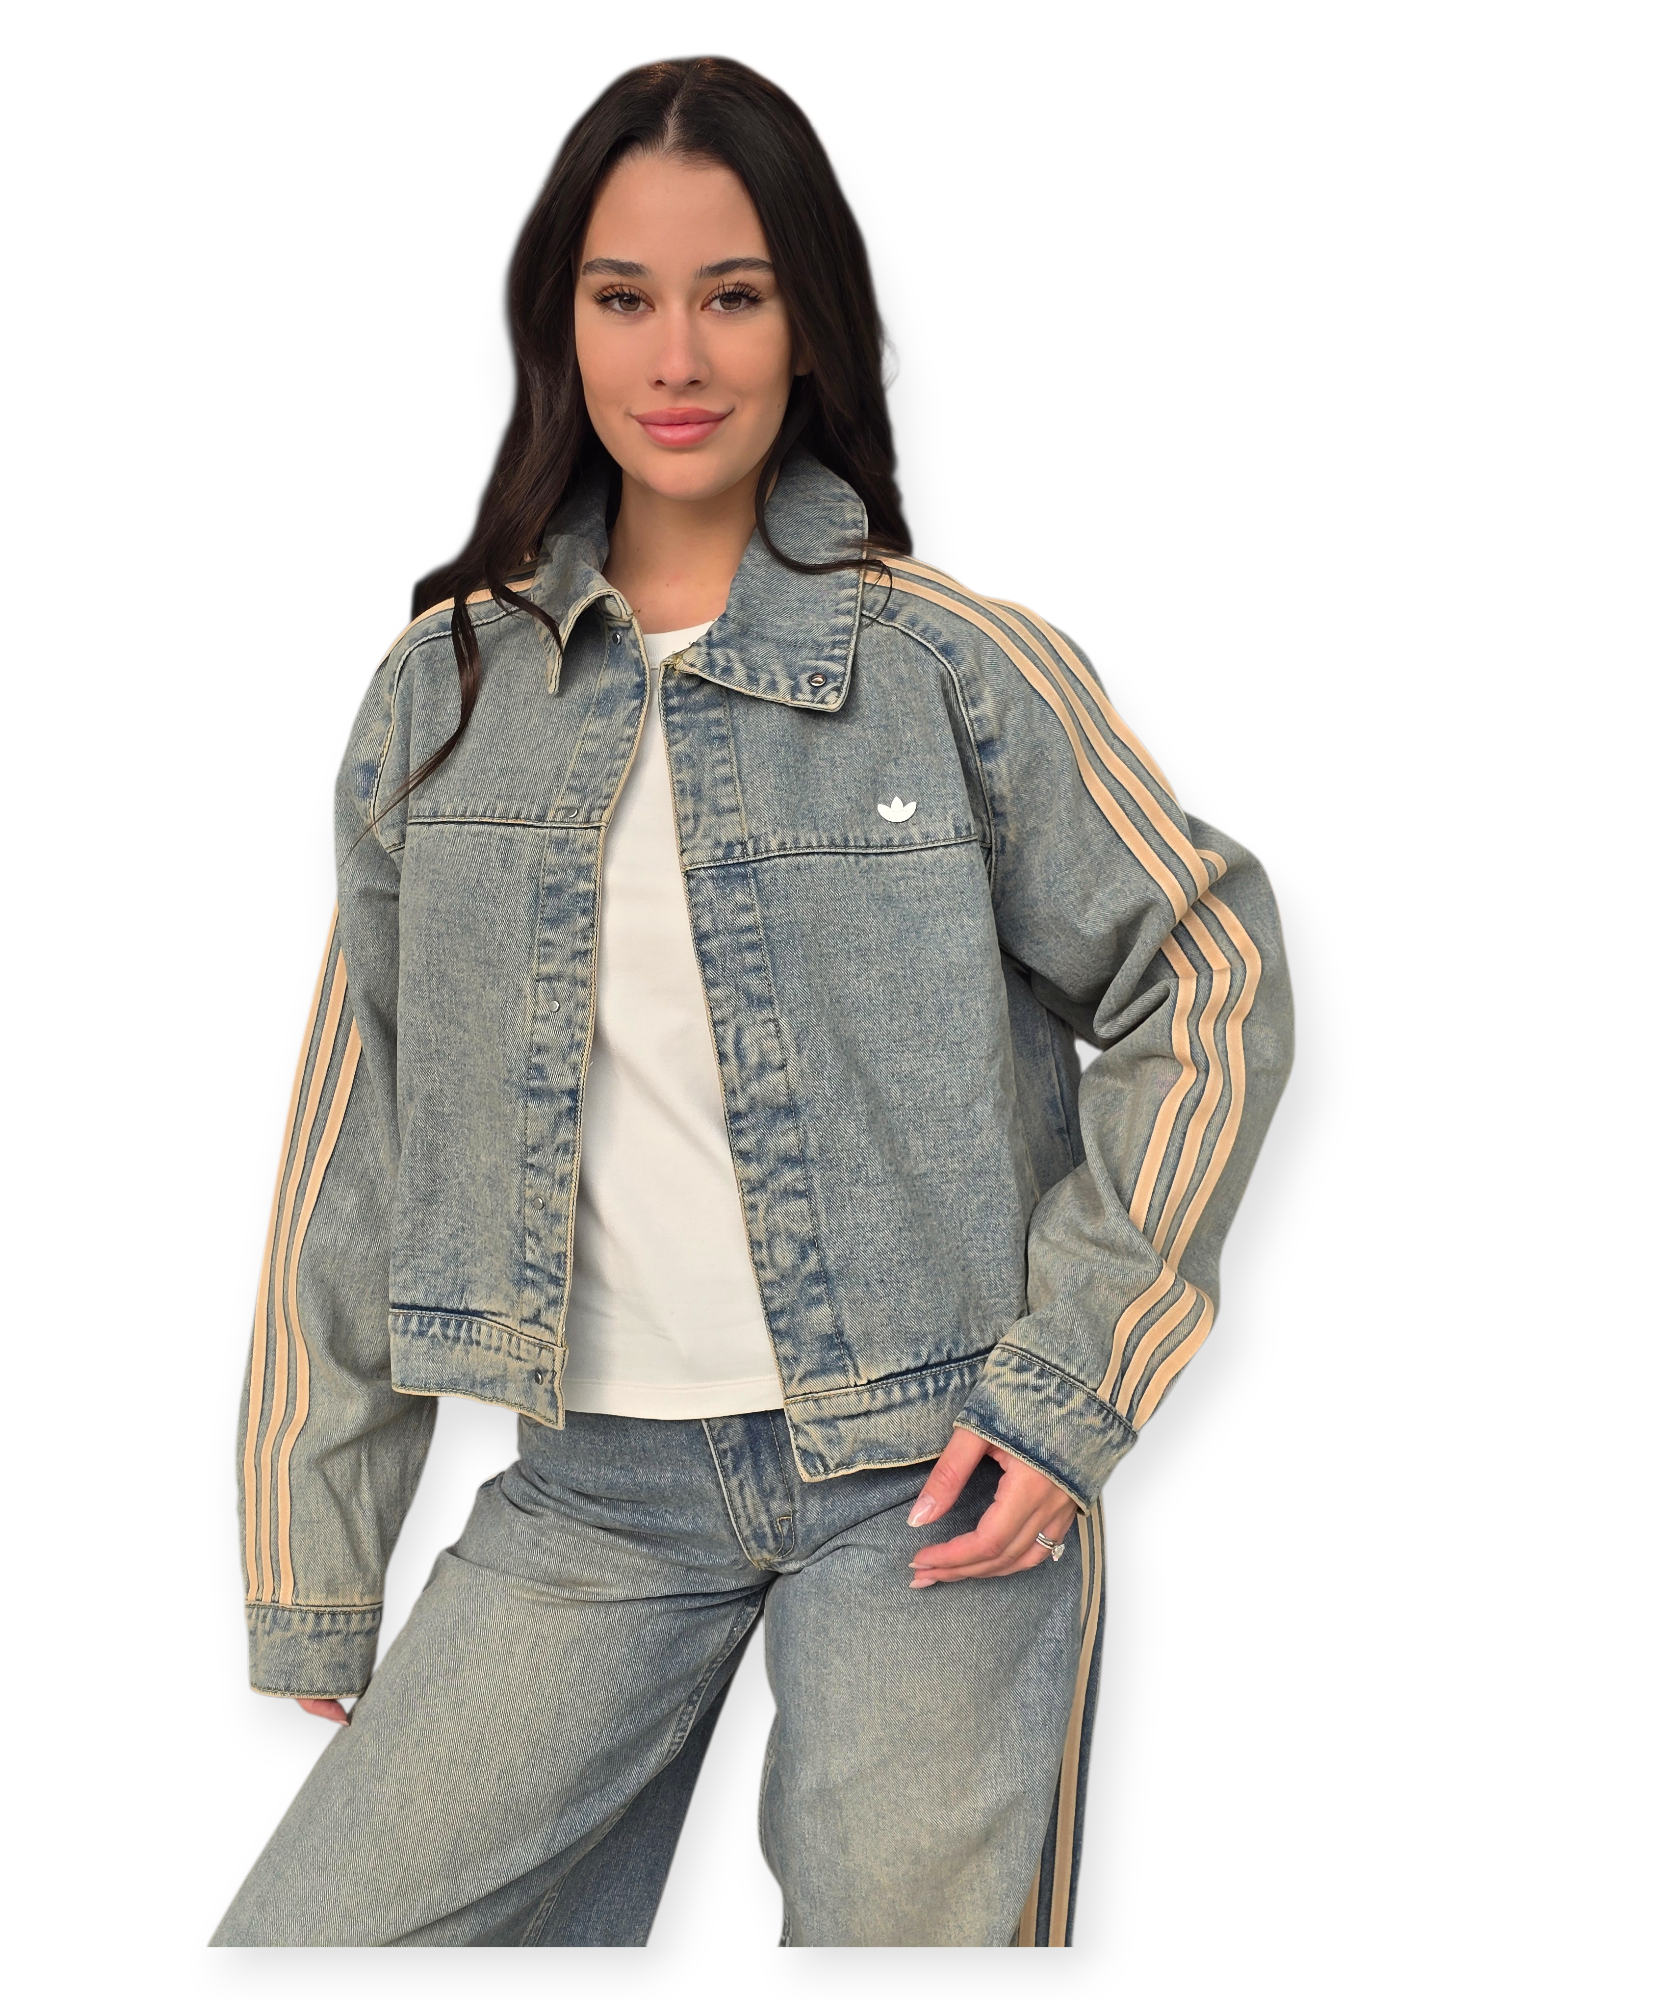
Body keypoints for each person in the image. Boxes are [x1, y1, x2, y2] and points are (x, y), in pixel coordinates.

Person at [212, 54, 1291, 1949]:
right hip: (593, 1491)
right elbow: (361, 1121)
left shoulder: (950, 669)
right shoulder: (445, 696)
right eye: (623, 295)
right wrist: (320, 1538)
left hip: (934, 1478)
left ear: (811, 322)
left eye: (734, 293)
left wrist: (1069, 1392)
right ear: (561, 325)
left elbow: (1202, 968)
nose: (678, 354)